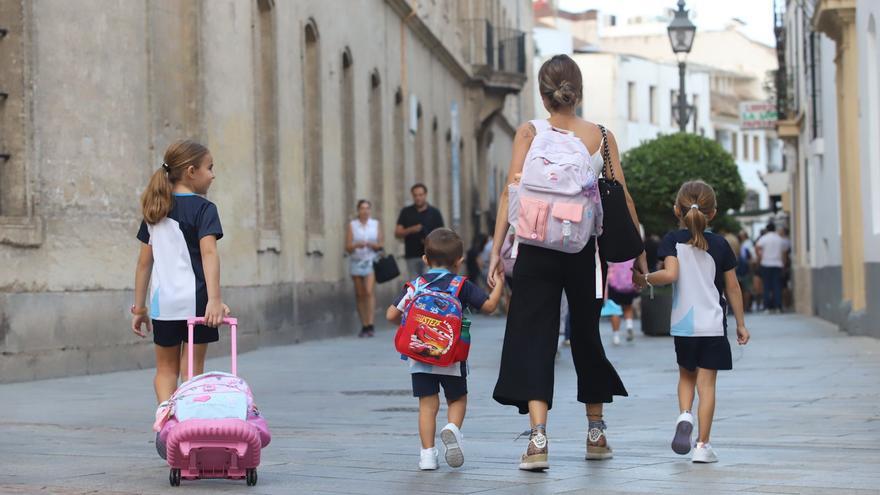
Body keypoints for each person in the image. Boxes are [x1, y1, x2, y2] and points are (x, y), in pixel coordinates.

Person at [487, 54, 647, 471]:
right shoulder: (602, 137)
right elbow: (623, 200)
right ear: (578, 92)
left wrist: (495, 252)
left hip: (535, 248)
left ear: (543, 95)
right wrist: (640, 256)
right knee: (587, 338)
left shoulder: (528, 132)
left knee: (536, 339)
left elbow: (509, 195)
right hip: (583, 252)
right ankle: (596, 432)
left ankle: (538, 440)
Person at [633, 180, 750, 464]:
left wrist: (645, 278)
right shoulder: (721, 244)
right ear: (714, 212)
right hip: (711, 324)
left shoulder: (672, 240)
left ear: (677, 210)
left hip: (684, 325)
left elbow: (670, 275)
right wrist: (741, 324)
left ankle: (684, 414)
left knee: (686, 375)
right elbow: (733, 288)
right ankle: (702, 446)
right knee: (706, 385)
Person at [386, 228, 504, 470]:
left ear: (425, 260)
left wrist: (411, 322)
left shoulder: (415, 285)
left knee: (427, 405)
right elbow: (490, 306)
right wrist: (499, 283)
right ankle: (452, 429)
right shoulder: (461, 285)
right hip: (451, 357)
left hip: (419, 357)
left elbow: (390, 315)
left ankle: (427, 455)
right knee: (457, 399)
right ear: (459, 262)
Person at [131, 139, 230, 406]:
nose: (212, 174)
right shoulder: (204, 209)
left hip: (163, 305)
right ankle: (187, 420)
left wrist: (139, 308)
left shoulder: (155, 209)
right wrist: (215, 300)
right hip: (196, 302)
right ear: (190, 171)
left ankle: (164, 415)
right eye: (209, 167)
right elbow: (209, 254)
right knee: (191, 370)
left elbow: (143, 264)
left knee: (165, 371)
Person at [345, 199, 383, 337]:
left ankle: (371, 323)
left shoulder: (375, 224)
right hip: (356, 261)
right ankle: (364, 325)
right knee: (360, 294)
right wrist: (356, 245)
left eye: (367, 208)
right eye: (362, 208)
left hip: (370, 261)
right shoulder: (352, 225)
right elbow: (348, 247)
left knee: (368, 291)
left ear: (370, 210)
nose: (365, 211)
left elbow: (381, 244)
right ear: (358, 210)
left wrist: (373, 245)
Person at [395, 183, 445, 278]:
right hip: (412, 255)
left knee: (429, 284)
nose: (418, 198)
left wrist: (429, 240)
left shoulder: (435, 213)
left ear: (425, 195)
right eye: (415, 195)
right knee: (415, 285)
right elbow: (397, 233)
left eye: (420, 195)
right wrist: (411, 229)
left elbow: (442, 235)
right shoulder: (406, 212)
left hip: (430, 256)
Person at [755, 223, 790, 313]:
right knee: (777, 286)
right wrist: (784, 263)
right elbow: (785, 252)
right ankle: (778, 306)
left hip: (766, 263)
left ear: (767, 229)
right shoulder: (779, 239)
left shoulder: (764, 238)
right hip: (777, 264)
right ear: (774, 229)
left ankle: (767, 307)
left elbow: (757, 247)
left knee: (766, 286)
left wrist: (760, 257)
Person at [607, 259, 640, 345]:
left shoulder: (612, 250)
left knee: (614, 310)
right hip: (629, 284)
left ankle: (616, 336)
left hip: (614, 285)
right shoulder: (631, 250)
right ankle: (629, 326)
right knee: (628, 307)